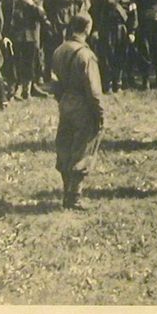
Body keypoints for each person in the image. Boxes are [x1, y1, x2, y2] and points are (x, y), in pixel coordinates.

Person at [49, 13, 106, 210]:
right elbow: (93, 89)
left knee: (65, 145)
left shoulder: (59, 50)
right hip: (83, 104)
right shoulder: (85, 55)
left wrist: (61, 100)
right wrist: (100, 113)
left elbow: (53, 82)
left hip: (65, 102)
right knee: (83, 148)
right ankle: (75, 196)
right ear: (87, 28)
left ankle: (67, 193)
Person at [93, 0, 137, 93]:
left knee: (121, 55)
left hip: (121, 28)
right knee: (106, 56)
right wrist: (95, 30)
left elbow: (133, 14)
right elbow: (96, 14)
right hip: (106, 29)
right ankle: (107, 83)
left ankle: (118, 82)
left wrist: (132, 31)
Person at [9, 0, 48, 100]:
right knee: (17, 61)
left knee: (30, 62)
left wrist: (31, 4)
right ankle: (18, 88)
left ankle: (28, 88)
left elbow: (42, 16)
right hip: (17, 34)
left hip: (31, 34)